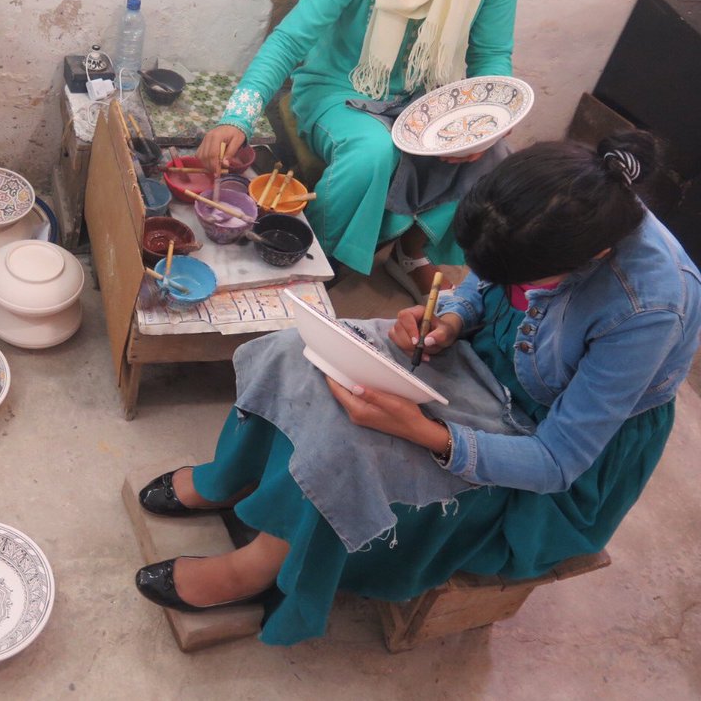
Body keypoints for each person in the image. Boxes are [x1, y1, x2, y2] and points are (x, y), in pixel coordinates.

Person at [133, 131, 701, 646]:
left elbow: (558, 461)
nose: (498, 282)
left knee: (351, 446)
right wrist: (451, 318)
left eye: (519, 279)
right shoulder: (547, 206)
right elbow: (484, 283)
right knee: (290, 350)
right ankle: (229, 480)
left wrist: (425, 432)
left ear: (591, 259)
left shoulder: (647, 308)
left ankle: (258, 567)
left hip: (542, 428)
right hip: (482, 357)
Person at [198, 0, 520, 300]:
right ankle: (314, 260)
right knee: (373, 150)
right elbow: (290, 39)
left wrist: (485, 119)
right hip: (340, 92)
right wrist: (237, 117)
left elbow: (492, 55)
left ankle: (412, 252)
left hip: (425, 97)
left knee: (492, 156)